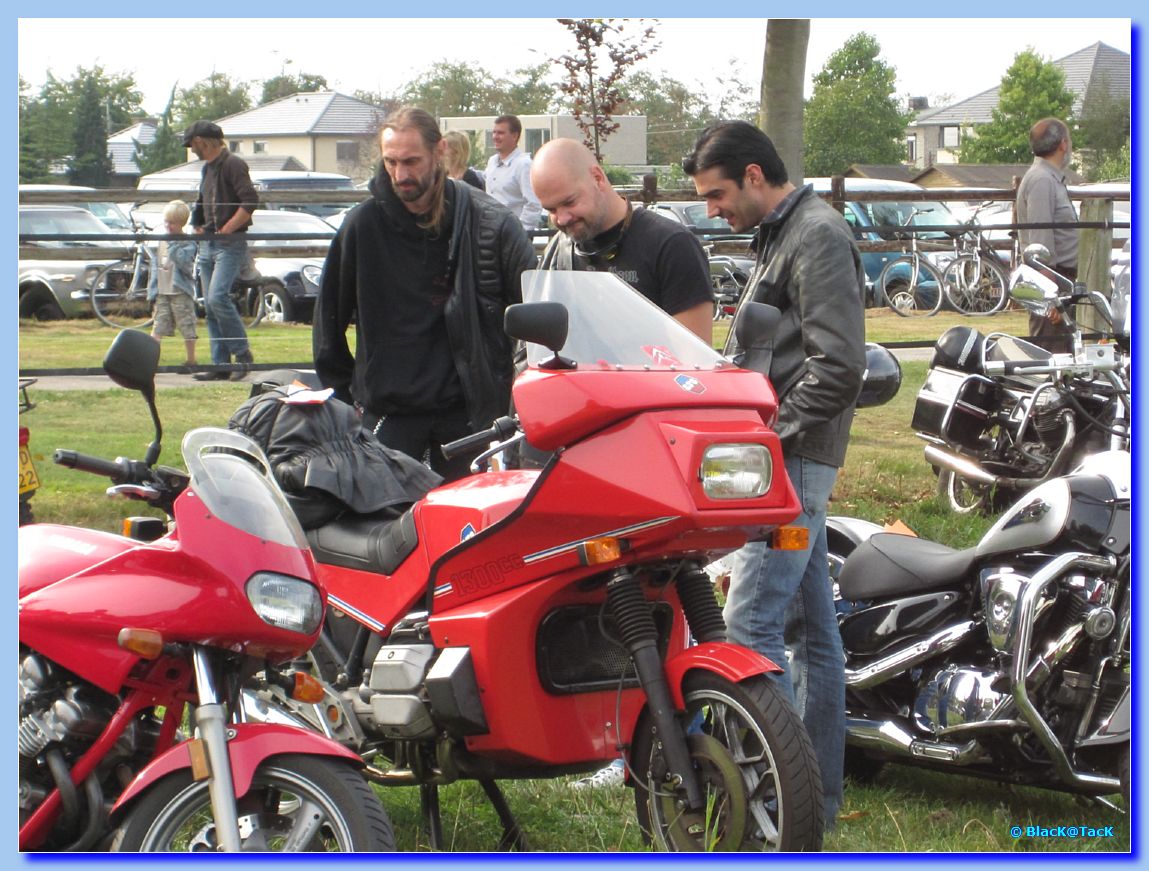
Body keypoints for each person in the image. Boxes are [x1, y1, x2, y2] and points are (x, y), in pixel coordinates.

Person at [682, 120, 867, 826]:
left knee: (750, 618)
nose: (711, 209)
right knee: (811, 633)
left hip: (791, 466)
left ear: (756, 175)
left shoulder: (815, 235)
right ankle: (812, 805)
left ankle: (771, 808)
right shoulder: (783, 233)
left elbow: (838, 366)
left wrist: (764, 439)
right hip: (789, 462)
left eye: (718, 193)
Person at [313, 106, 536, 481]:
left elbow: (532, 311)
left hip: (468, 415)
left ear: (440, 151)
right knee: (387, 530)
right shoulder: (361, 227)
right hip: (389, 414)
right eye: (391, 162)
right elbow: (328, 324)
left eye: (412, 161)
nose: (401, 174)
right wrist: (344, 400)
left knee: (472, 530)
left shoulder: (489, 225)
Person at [530, 138, 714, 343]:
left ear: (598, 178)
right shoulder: (559, 250)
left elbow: (694, 361)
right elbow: (535, 347)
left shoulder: (671, 245)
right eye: (551, 210)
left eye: (569, 202)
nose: (562, 218)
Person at [183, 120, 259, 382]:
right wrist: (198, 224)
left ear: (203, 141)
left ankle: (242, 354)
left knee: (217, 298)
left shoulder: (233, 164)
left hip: (229, 243)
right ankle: (220, 363)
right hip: (209, 243)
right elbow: (202, 201)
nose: (192, 149)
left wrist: (227, 228)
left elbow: (250, 200)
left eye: (193, 143)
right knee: (212, 306)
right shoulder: (208, 169)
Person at [1015, 117, 1078, 354]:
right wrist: (1050, 297)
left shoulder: (1049, 178)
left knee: (1064, 354)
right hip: (1052, 281)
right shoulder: (1042, 180)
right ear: (1063, 144)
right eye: (1069, 140)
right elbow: (1040, 243)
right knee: (1052, 355)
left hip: (1059, 281)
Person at [149, 200, 199, 373]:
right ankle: (150, 360)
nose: (169, 226)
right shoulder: (162, 241)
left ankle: (191, 360)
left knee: (186, 325)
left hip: (179, 291)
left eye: (173, 223)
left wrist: (174, 246)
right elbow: (156, 266)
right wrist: (152, 290)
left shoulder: (188, 244)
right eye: (167, 222)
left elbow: (185, 264)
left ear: (182, 224)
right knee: (158, 325)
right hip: (163, 290)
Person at [484, 114, 543, 233]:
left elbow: (533, 203)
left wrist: (520, 232)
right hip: (491, 233)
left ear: (515, 135)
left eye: (500, 133)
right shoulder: (492, 162)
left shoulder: (524, 165)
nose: (495, 137)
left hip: (514, 236)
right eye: (494, 132)